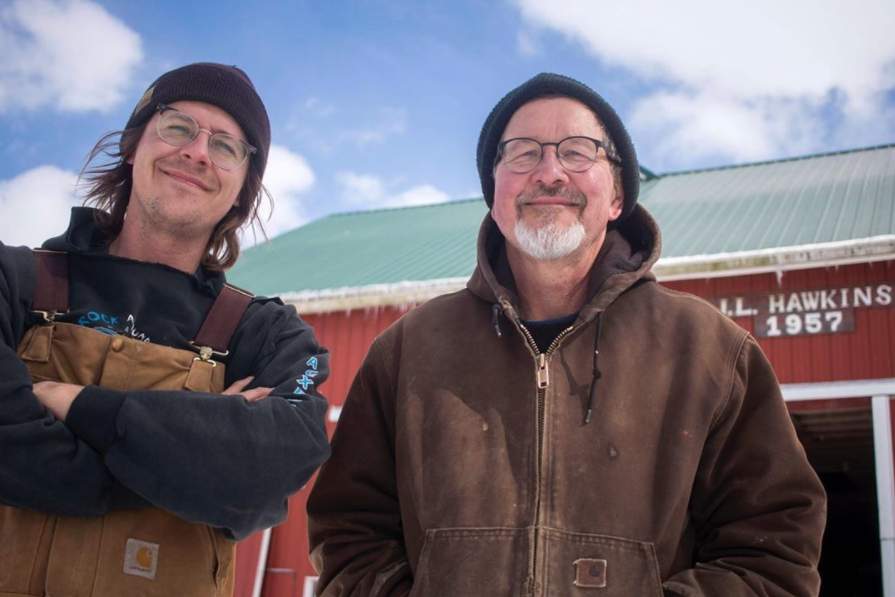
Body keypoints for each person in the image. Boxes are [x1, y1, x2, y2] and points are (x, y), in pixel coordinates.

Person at [307, 73, 826, 596]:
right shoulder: (408, 350)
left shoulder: (709, 350)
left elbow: (773, 553)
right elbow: (349, 534)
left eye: (578, 152)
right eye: (523, 153)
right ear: (495, 194)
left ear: (618, 196)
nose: (549, 172)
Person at [0, 63, 330, 597]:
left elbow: (281, 459)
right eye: (178, 127)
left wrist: (75, 405)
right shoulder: (12, 281)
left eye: (225, 146)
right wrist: (182, 467)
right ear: (133, 146)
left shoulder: (272, 335)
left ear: (242, 190)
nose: (198, 152)